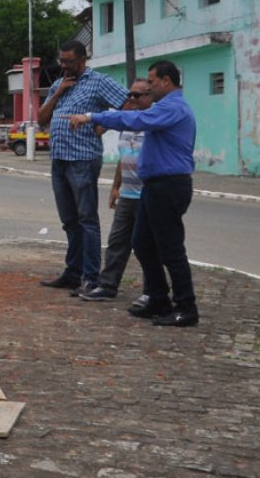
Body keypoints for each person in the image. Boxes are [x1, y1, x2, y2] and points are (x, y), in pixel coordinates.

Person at [70, 60, 199, 327]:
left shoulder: (173, 107)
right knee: (142, 243)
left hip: (169, 185)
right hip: (154, 186)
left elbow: (136, 119)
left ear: (166, 81)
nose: (149, 87)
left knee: (171, 249)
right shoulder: (165, 107)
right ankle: (158, 298)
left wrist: (93, 116)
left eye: (152, 82)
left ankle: (186, 307)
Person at [36, 40, 129, 296]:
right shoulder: (58, 84)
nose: (65, 66)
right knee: (69, 220)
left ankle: (90, 277)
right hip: (59, 160)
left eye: (69, 62)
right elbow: (41, 120)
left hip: (83, 160)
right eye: (62, 61)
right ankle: (72, 272)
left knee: (87, 219)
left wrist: (104, 123)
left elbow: (126, 105)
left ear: (83, 60)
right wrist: (58, 93)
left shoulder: (98, 81)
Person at [79, 80, 152, 302]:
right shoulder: (128, 124)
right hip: (128, 193)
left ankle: (152, 291)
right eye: (129, 95)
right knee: (117, 242)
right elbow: (124, 157)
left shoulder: (153, 122)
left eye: (137, 96)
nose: (131, 100)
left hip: (148, 193)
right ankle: (108, 285)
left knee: (147, 246)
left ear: (150, 97)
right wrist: (115, 186)